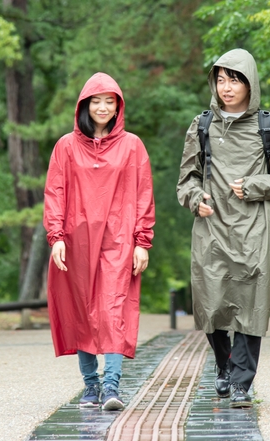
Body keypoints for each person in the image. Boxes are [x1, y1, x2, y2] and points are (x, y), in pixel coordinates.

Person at [176, 48, 270, 408]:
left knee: (252, 305)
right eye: (220, 79)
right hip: (211, 228)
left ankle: (242, 383)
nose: (226, 87)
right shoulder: (200, 126)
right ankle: (223, 364)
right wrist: (194, 198)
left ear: (250, 83)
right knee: (211, 302)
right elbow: (185, 180)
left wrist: (254, 185)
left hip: (255, 230)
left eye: (234, 79)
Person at [43, 72, 155, 411]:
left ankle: (111, 387)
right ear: (84, 105)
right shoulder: (65, 146)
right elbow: (55, 192)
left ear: (118, 106)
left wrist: (141, 241)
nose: (103, 107)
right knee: (81, 312)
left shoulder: (132, 145)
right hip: (76, 242)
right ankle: (90, 386)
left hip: (118, 240)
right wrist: (56, 236)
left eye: (110, 101)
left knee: (112, 309)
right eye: (96, 101)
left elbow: (143, 194)